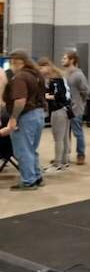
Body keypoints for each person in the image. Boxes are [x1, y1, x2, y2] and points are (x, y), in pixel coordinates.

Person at [1, 50, 47, 190]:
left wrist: (13, 118)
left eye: (12, 62)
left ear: (17, 62)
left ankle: (28, 181)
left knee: (23, 150)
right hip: (39, 114)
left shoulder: (20, 77)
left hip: (26, 116)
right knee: (31, 148)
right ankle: (37, 176)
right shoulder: (36, 75)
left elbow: (20, 100)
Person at [37, 57, 71, 171]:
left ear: (48, 66)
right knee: (65, 137)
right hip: (66, 109)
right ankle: (65, 160)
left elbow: (59, 95)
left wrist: (46, 96)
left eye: (41, 67)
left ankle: (57, 163)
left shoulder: (54, 80)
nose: (40, 70)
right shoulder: (60, 77)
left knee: (58, 138)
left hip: (58, 110)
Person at [62, 51, 89, 165]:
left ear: (72, 60)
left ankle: (81, 154)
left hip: (76, 108)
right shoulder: (64, 74)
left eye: (64, 58)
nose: (62, 60)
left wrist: (80, 103)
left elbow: (85, 91)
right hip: (64, 108)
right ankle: (64, 155)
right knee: (64, 133)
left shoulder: (78, 75)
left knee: (77, 133)